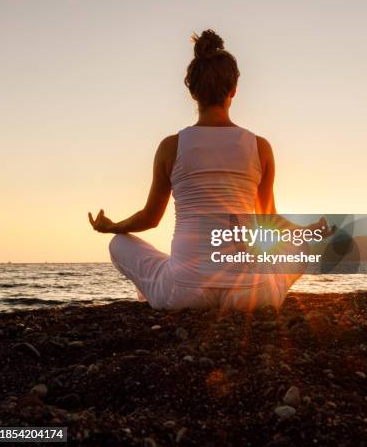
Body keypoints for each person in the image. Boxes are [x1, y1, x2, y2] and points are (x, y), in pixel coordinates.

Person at [89, 30, 329, 310]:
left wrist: (113, 227)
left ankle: (155, 293)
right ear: (234, 89)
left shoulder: (171, 146)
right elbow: (269, 221)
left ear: (192, 91)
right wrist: (307, 231)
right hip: (252, 294)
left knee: (118, 244)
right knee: (304, 247)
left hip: (182, 292)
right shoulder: (260, 147)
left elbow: (150, 218)